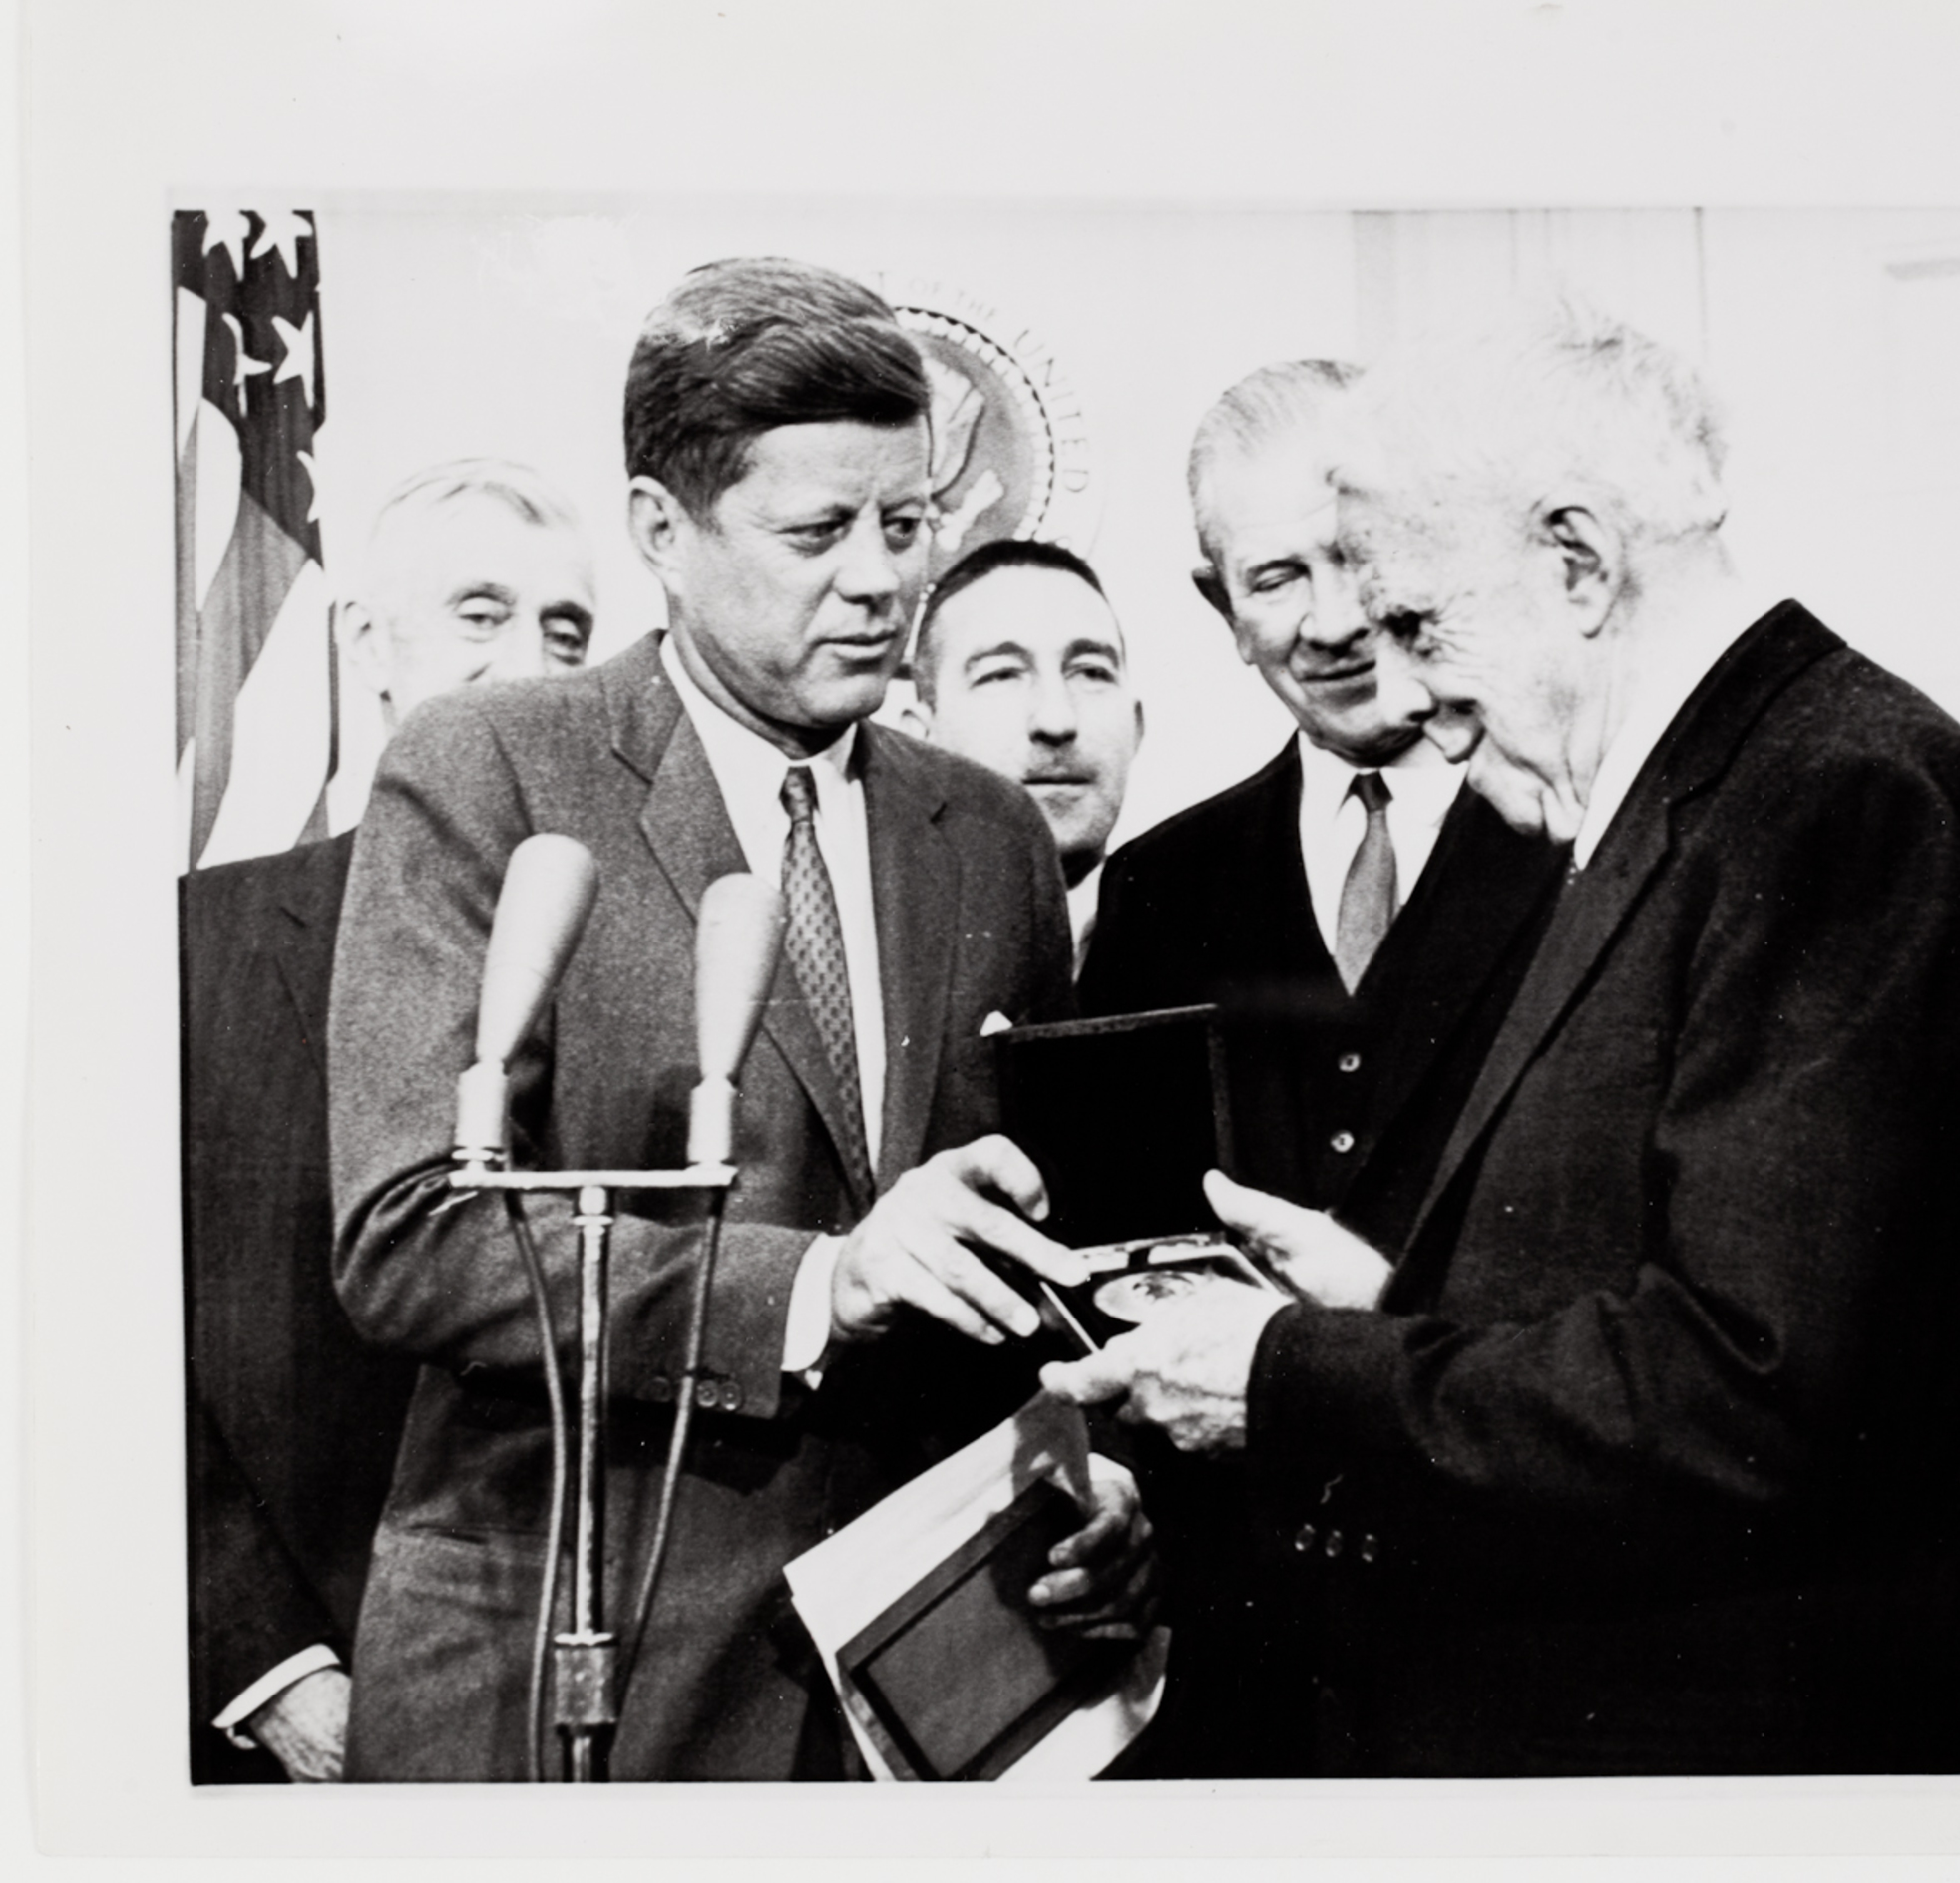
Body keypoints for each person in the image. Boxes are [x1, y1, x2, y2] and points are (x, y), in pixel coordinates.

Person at [1048, 302, 1960, 1777]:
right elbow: (1682, 1268)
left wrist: (1288, 1376)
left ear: (1580, 562)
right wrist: (1396, 1298)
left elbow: (1743, 1394)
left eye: (1421, 622)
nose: (1406, 693)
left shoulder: (1838, 804)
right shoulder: (1729, 785)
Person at [326, 259, 1153, 1782]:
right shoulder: (489, 771)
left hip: (926, 1692)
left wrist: (1092, 1480)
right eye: (816, 533)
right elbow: (407, 1234)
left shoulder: (990, 834)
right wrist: (816, 1287)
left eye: (905, 526)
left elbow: (1034, 1263)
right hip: (571, 1683)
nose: (881, 579)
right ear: (662, 530)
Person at [1075, 362, 1566, 1776]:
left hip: (1519, 1631)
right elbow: (1119, 1245)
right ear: (1216, 610)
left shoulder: (1578, 839)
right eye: (1279, 575)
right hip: (1245, 1658)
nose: (1335, 618)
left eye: (1359, 557)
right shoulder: (1159, 887)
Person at [184, 459, 598, 1783]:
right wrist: (268, 1663)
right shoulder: (193, 950)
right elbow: (78, 1336)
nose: (531, 667)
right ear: (368, 643)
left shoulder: (675, 964)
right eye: (482, 615)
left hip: (598, 1712)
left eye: (568, 632)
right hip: (302, 1711)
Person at [901, 539, 1142, 972]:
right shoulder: (878, 961)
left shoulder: (1222, 941)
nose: (1056, 720)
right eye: (1002, 675)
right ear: (920, 742)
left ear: (1137, 727)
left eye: (1091, 672)